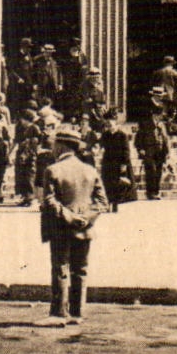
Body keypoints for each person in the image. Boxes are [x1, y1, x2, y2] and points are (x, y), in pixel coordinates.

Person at [37, 127, 108, 326]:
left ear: (61, 146)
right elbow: (102, 203)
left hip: (60, 226)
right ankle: (77, 313)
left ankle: (58, 314)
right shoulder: (90, 170)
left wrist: (68, 216)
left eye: (54, 144)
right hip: (85, 229)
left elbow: (49, 200)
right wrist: (85, 218)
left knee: (60, 268)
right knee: (80, 269)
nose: (52, 148)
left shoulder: (52, 170)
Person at [134, 92, 172, 200]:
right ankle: (150, 192)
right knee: (151, 171)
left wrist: (168, 152)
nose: (159, 118)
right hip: (149, 150)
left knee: (158, 171)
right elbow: (138, 138)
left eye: (160, 116)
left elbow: (165, 139)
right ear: (154, 115)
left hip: (159, 151)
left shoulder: (162, 126)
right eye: (158, 116)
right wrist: (140, 149)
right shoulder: (145, 124)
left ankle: (156, 191)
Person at [99, 122, 138, 212]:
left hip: (118, 163)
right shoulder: (105, 135)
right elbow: (101, 144)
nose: (110, 128)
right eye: (108, 126)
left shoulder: (122, 135)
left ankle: (116, 204)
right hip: (108, 163)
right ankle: (108, 204)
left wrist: (124, 164)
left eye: (112, 126)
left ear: (117, 125)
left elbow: (126, 150)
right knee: (107, 184)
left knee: (117, 185)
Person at [13, 107, 41, 206]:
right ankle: (24, 196)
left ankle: (30, 197)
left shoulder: (35, 128)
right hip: (21, 153)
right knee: (21, 175)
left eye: (22, 119)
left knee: (30, 175)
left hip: (31, 154)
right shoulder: (19, 127)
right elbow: (16, 141)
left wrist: (32, 145)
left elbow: (40, 141)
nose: (21, 121)